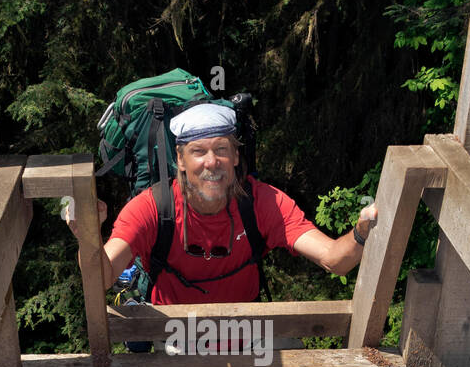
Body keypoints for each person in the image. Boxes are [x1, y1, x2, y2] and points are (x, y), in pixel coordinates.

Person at [65, 102, 378, 349]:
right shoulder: (151, 208)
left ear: (236, 156)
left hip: (251, 338)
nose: (211, 162)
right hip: (176, 340)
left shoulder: (262, 202)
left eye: (221, 150)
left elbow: (335, 260)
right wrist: (88, 236)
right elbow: (102, 277)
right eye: (198, 151)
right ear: (180, 160)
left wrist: (363, 231)